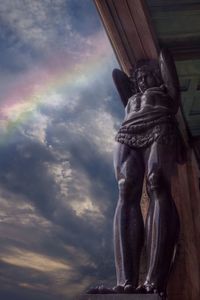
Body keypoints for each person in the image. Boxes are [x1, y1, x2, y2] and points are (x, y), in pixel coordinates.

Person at [112, 49, 186, 296]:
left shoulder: (166, 93)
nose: (142, 80)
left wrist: (161, 58)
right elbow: (120, 79)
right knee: (125, 188)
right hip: (128, 133)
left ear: (158, 76)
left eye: (147, 75)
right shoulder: (132, 99)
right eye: (139, 78)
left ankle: (155, 280)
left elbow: (167, 62)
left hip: (160, 124)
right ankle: (126, 281)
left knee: (157, 181)